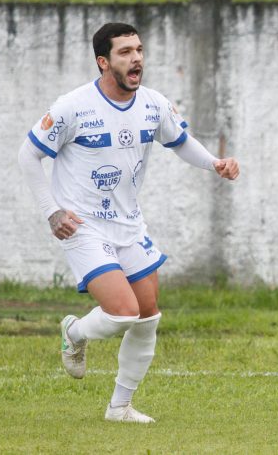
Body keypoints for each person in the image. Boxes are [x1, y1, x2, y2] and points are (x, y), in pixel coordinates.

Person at [17, 23, 240, 424]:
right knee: (123, 312)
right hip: (82, 225)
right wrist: (53, 212)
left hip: (130, 225)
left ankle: (119, 407)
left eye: (138, 50)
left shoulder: (153, 104)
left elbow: (180, 141)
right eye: (125, 52)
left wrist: (215, 163)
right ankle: (74, 333)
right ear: (103, 62)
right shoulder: (74, 107)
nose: (136, 58)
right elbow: (27, 155)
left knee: (148, 316)